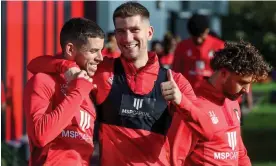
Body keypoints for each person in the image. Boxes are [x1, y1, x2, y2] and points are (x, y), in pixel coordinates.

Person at [27, 2, 215, 165]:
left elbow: (208, 130)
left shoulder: (173, 81)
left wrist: (182, 101)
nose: (127, 38)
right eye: (120, 31)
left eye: (134, 30)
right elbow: (35, 64)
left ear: (149, 33)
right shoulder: (102, 70)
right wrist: (66, 65)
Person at [171, 41, 271, 166]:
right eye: (242, 82)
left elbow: (239, 153)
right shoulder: (192, 107)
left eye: (249, 84)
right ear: (224, 74)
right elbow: (174, 160)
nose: (246, 90)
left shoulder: (233, 103)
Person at [23, 18, 105, 165]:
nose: (100, 58)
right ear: (70, 49)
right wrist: (77, 91)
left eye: (101, 51)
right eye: (93, 51)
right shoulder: (43, 81)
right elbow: (41, 135)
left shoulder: (88, 87)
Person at [172, 13, 224, 89]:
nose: (199, 40)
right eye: (195, 37)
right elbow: (176, 73)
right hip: (188, 95)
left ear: (207, 30)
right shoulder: (182, 47)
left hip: (211, 94)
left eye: (201, 36)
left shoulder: (219, 46)